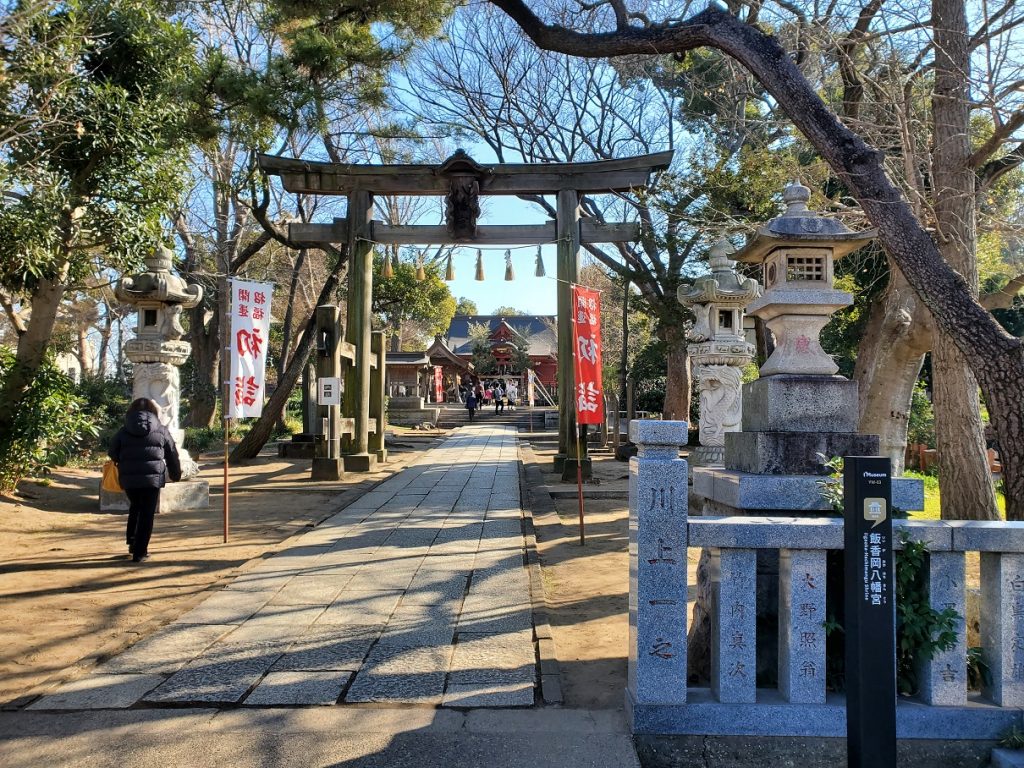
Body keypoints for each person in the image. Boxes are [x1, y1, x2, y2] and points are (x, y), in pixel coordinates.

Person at [108, 398, 182, 563]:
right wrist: (176, 474)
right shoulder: (161, 430)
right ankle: (140, 552)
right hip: (152, 478)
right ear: (154, 413)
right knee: (147, 513)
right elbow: (172, 453)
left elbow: (112, 451)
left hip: (129, 478)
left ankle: (133, 543)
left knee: (135, 506)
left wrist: (124, 459)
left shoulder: (123, 430)